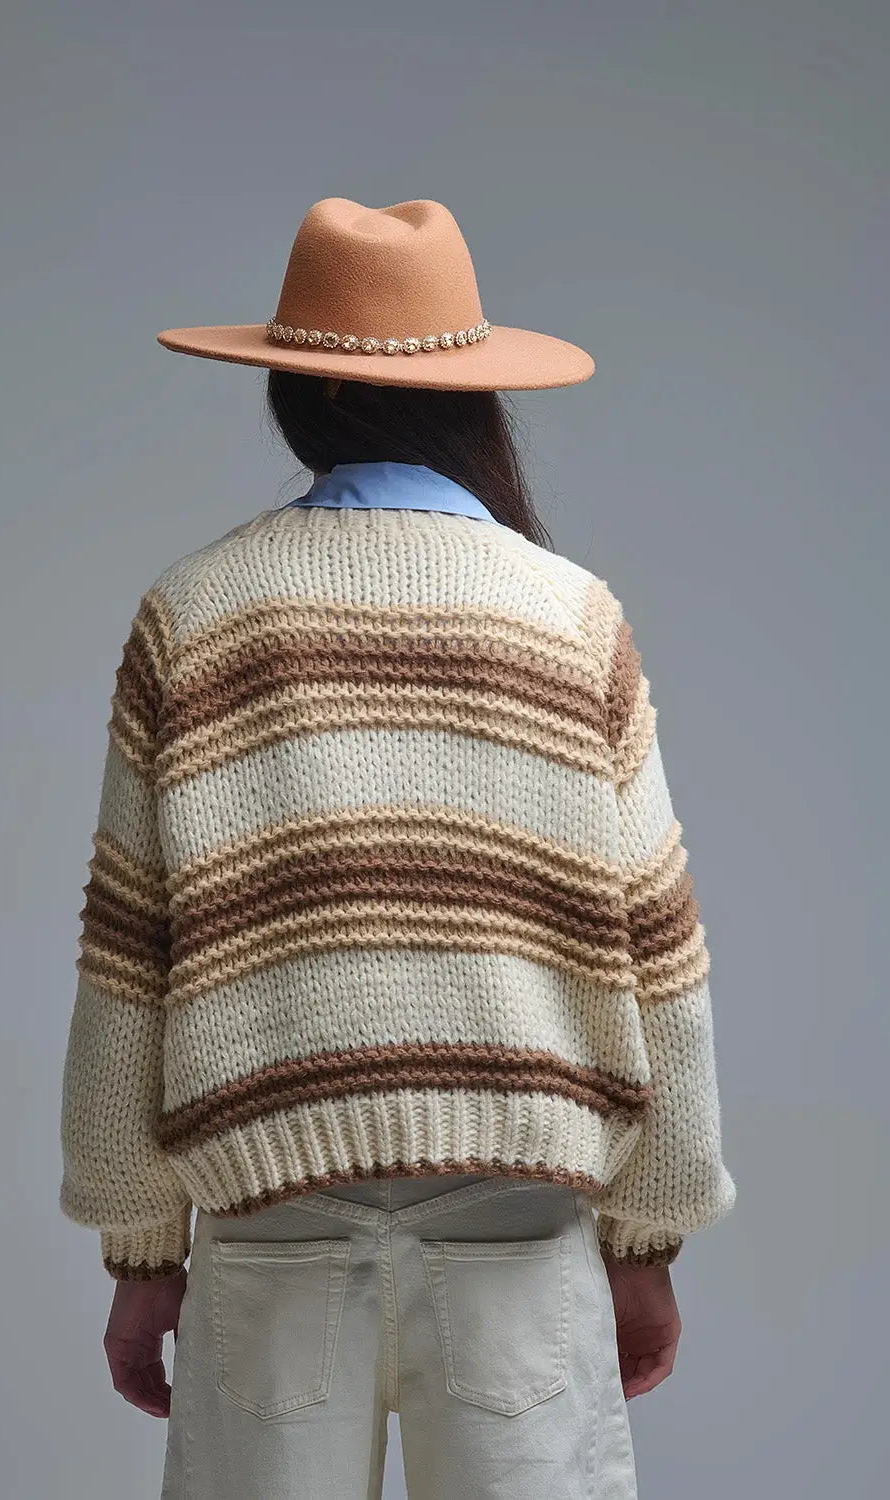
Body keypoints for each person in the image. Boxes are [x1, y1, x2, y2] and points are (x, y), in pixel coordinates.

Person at [59, 197, 737, 1499]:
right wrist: (650, 1237)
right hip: (521, 1220)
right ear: (475, 395)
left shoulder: (195, 614)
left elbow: (130, 961)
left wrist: (141, 1254)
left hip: (269, 1217)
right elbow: (661, 957)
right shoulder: (569, 618)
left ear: (297, 394)